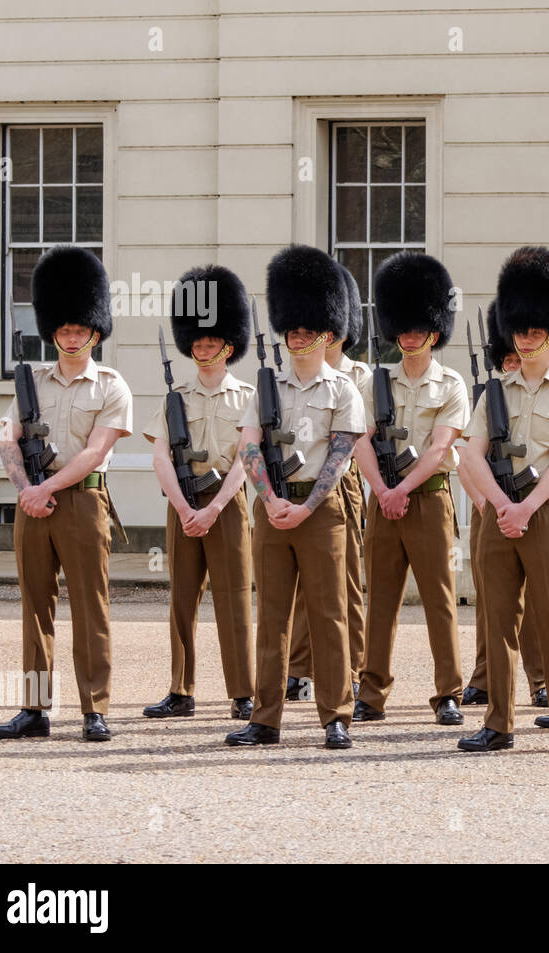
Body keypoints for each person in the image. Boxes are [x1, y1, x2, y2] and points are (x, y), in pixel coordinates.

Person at [0, 244, 133, 742]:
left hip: (84, 502)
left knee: (91, 605)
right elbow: (8, 438)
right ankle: (34, 709)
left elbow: (95, 452)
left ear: (95, 332)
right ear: (53, 331)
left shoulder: (112, 386)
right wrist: (27, 489)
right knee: (34, 606)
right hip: (35, 503)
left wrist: (44, 487)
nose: (72, 337)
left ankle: (95, 708)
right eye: (65, 329)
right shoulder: (31, 383)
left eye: (81, 329)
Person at [226, 245, 365, 749]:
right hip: (272, 510)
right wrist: (269, 501)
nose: (299, 337)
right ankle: (265, 718)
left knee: (329, 613)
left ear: (326, 333)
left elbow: (341, 454)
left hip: (320, 510)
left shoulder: (344, 388)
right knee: (273, 615)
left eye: (309, 330)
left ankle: (336, 716)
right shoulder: (263, 388)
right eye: (293, 329)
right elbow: (248, 448)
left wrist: (304, 506)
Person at [457, 246, 549, 755]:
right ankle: (499, 723)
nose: (526, 338)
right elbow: (471, 455)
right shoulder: (494, 393)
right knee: (496, 619)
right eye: (520, 330)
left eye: (535, 331)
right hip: (501, 512)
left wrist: (525, 508)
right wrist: (500, 506)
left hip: (544, 513)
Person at [352, 251, 468, 726]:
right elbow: (357, 439)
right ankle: (371, 692)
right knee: (379, 599)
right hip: (384, 499)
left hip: (428, 499)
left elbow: (441, 449)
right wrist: (381, 489)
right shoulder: (375, 382)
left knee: (439, 600)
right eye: (403, 329)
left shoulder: (452, 384)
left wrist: (402, 490)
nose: (409, 337)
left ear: (433, 332)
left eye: (418, 329)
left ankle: (448, 694)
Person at [142, 265, 255, 720]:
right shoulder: (176, 398)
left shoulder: (248, 396)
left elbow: (248, 460)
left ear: (229, 345)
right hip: (183, 504)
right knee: (181, 600)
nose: (205, 350)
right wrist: (185, 506)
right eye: (199, 342)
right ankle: (181, 690)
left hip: (225, 506)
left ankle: (242, 692)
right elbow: (161, 457)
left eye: (214, 342)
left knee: (234, 599)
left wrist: (215, 508)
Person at [287, 263, 369, 701]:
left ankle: (351, 667)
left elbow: (363, 440)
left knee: (344, 582)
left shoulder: (360, 377)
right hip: (296, 481)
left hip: (343, 481)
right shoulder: (294, 373)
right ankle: (298, 668)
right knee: (298, 581)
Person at [460, 302, 547, 709]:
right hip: (490, 509)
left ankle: (540, 679)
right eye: (508, 358)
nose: (515, 363)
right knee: (491, 603)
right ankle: (486, 677)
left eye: (519, 357)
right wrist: (484, 503)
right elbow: (466, 460)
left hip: (530, 505)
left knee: (533, 605)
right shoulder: (488, 398)